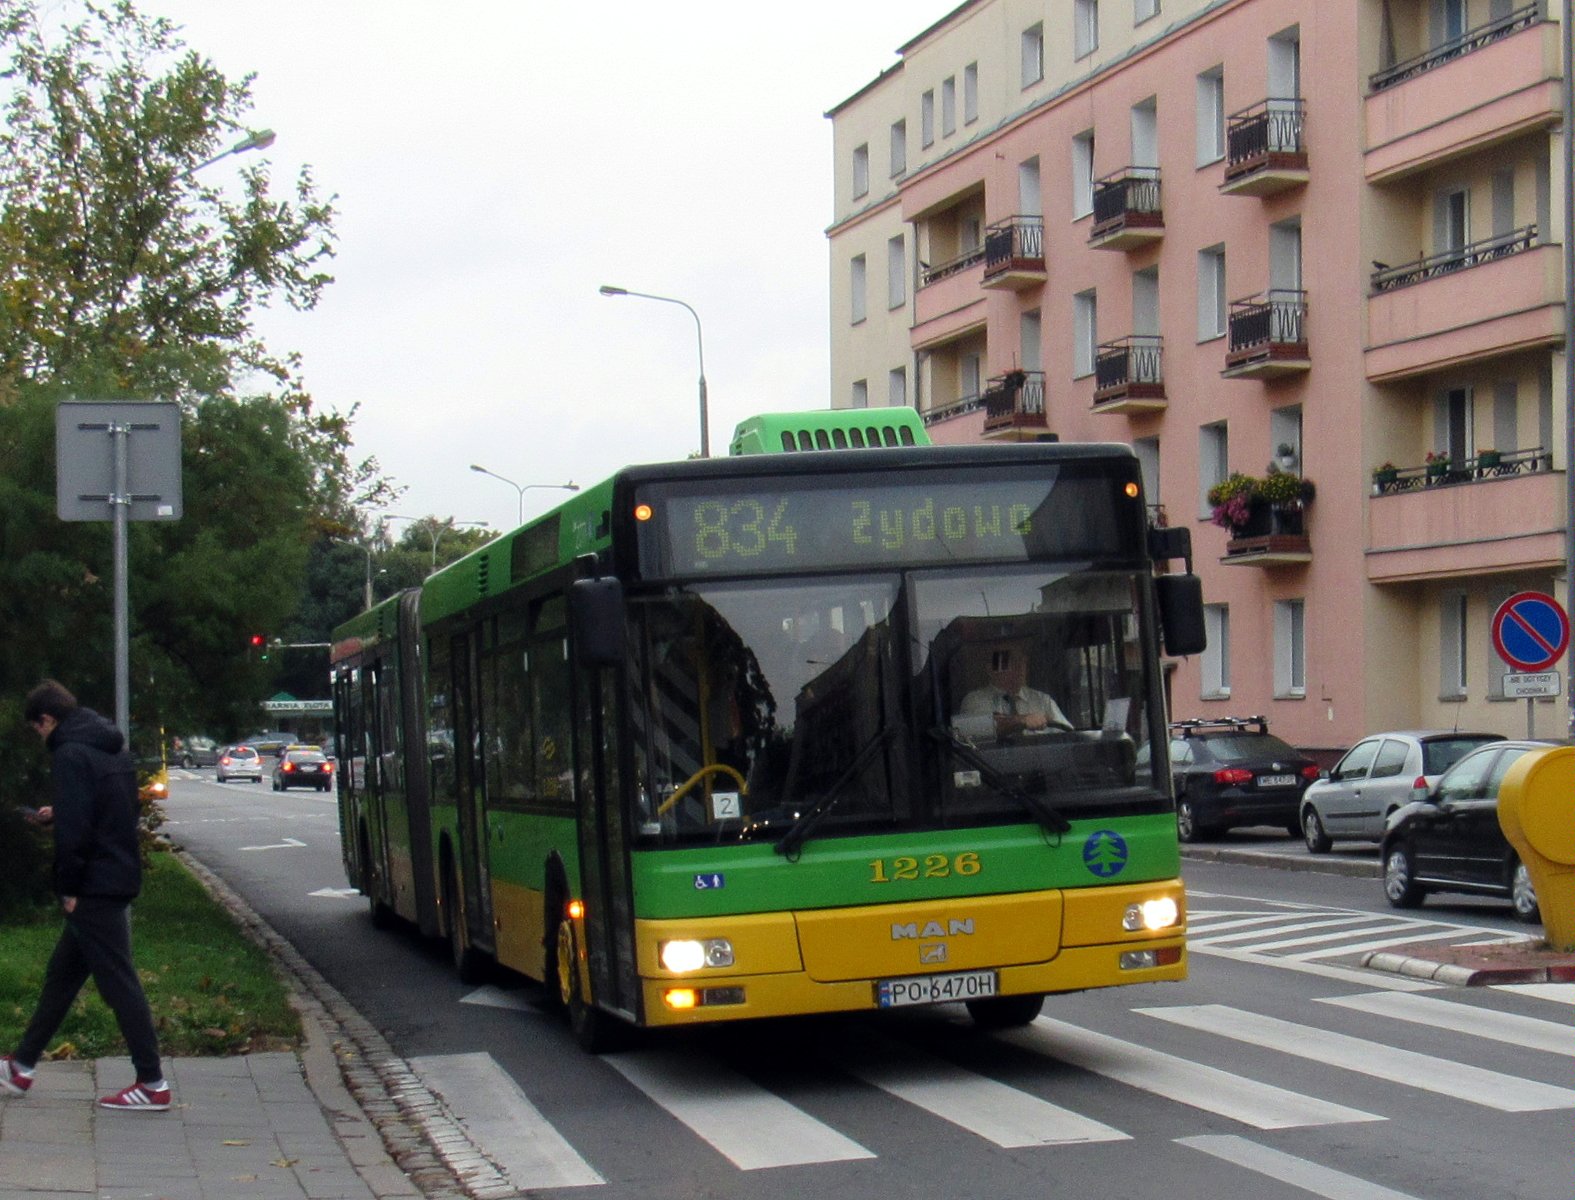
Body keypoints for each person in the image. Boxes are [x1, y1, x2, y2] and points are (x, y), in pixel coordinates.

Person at [0, 681, 170, 1112]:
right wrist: (61, 812)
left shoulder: (70, 754)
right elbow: (115, 807)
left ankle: (152, 1082)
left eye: (37, 729)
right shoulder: (108, 744)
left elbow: (76, 833)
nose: (40, 737)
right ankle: (21, 1066)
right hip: (116, 869)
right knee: (62, 976)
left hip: (94, 884)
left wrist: (69, 888)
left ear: (47, 719)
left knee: (118, 982)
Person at [954, 645, 1072, 741]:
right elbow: (969, 732)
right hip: (992, 768)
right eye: (1011, 661)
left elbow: (1069, 735)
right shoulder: (975, 700)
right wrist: (1020, 721)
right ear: (991, 669)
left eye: (1022, 661)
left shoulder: (1042, 700)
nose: (1019, 666)